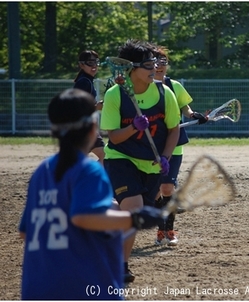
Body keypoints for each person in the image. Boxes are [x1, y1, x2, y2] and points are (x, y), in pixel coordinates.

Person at [19, 88, 164, 299]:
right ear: (93, 128)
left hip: (38, 286)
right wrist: (134, 218)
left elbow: (26, 231)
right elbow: (85, 216)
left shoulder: (42, 171)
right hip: (84, 285)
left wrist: (112, 210)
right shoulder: (88, 170)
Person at [100, 39, 180, 282]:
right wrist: (134, 128)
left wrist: (165, 157)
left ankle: (106, 229)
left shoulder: (165, 92)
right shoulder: (116, 94)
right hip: (121, 158)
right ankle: (122, 266)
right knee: (133, 209)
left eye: (155, 63)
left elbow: (174, 129)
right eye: (148, 65)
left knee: (133, 217)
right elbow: (112, 136)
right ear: (132, 68)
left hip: (152, 164)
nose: (154, 68)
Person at [152, 46, 208, 246]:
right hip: (149, 145)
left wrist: (194, 115)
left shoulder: (174, 86)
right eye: (155, 62)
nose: (159, 66)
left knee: (167, 188)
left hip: (173, 145)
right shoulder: (141, 87)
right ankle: (160, 227)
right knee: (154, 192)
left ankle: (168, 230)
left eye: (163, 62)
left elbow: (186, 108)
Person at [73, 50, 105, 165]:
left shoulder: (86, 80)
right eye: (90, 62)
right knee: (105, 156)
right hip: (83, 128)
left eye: (96, 62)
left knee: (78, 162)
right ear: (81, 65)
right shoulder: (84, 82)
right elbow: (78, 107)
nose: (94, 66)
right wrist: (97, 107)